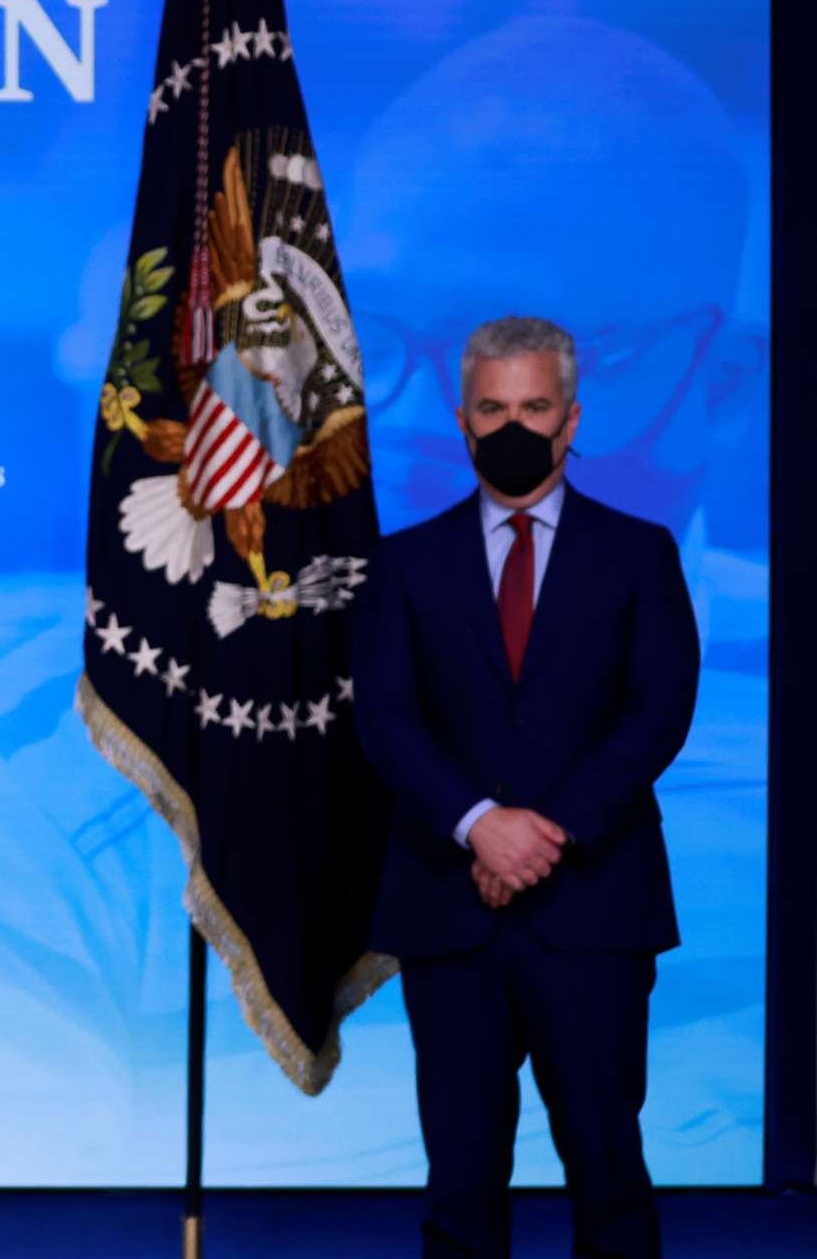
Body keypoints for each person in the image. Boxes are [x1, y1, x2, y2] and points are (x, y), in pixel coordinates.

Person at [354, 317, 698, 1259]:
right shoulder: (404, 563)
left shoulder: (640, 554)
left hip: (594, 906)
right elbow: (386, 720)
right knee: (459, 1180)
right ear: (463, 422)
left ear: (572, 417)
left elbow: (656, 715)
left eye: (535, 407)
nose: (515, 426)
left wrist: (540, 835)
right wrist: (479, 827)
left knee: (608, 1171)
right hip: (447, 910)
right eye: (495, 408)